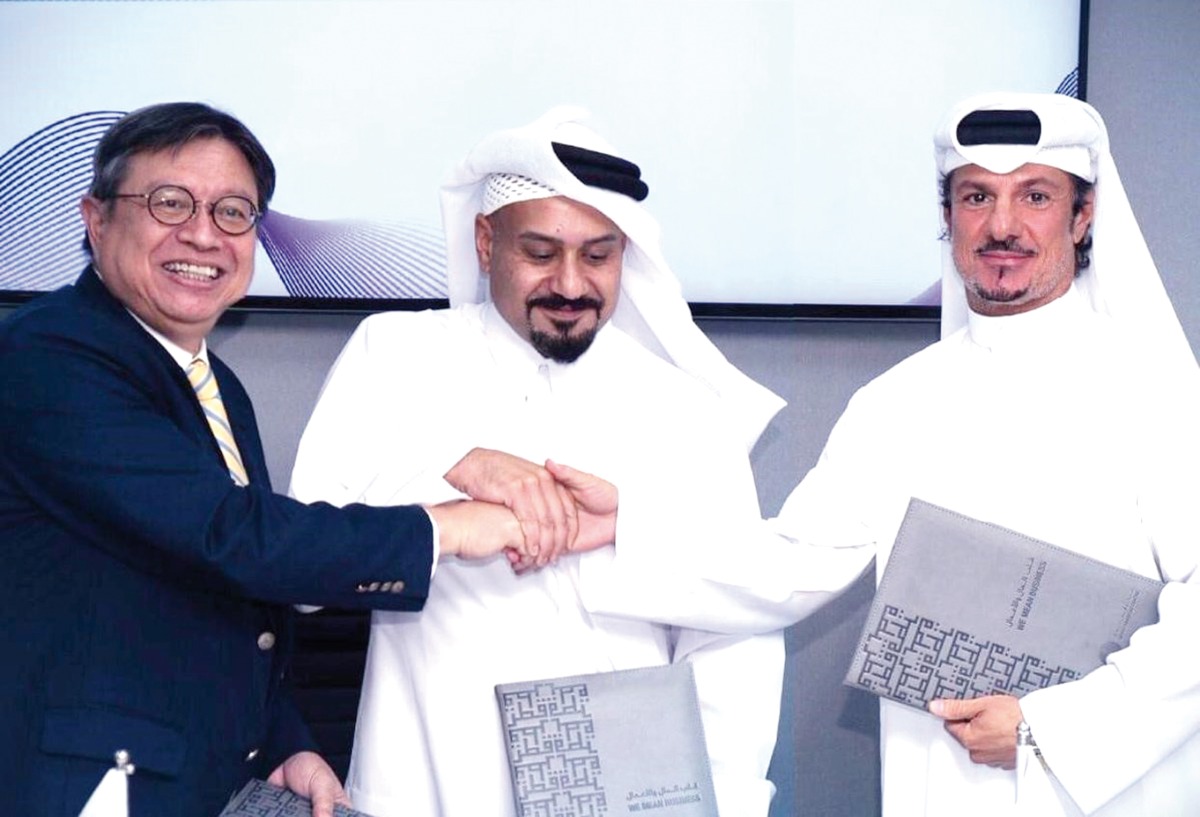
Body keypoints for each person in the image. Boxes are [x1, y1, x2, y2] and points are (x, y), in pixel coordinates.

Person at [290, 107, 855, 817]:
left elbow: (733, 636)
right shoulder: (393, 354)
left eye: (597, 254)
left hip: (630, 797)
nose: (570, 282)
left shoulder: (684, 406)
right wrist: (457, 484)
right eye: (540, 252)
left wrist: (720, 797)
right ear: (485, 239)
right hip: (425, 781)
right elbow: (304, 563)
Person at [0, 102, 550, 817]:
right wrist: (449, 526)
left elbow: (217, 595)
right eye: (169, 202)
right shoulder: (51, 355)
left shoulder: (214, 383)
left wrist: (285, 742)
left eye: (233, 212)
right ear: (96, 218)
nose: (202, 233)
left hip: (199, 777)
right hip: (94, 783)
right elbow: (230, 536)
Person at [771, 92, 1200, 815]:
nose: (1002, 225)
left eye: (1035, 195)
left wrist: (1051, 729)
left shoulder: (1160, 391)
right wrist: (623, 526)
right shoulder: (893, 403)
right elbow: (790, 564)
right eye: (977, 196)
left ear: (1083, 214)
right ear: (947, 218)